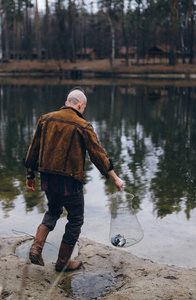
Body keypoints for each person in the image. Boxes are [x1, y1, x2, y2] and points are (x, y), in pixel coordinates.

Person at [23, 86, 124, 272]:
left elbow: (33, 151)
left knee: (53, 211)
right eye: (83, 108)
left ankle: (36, 248)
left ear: (66, 104)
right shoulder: (83, 126)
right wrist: (115, 178)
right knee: (76, 219)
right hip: (70, 181)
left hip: (48, 177)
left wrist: (30, 175)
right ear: (80, 105)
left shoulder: (45, 119)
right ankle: (62, 264)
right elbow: (98, 156)